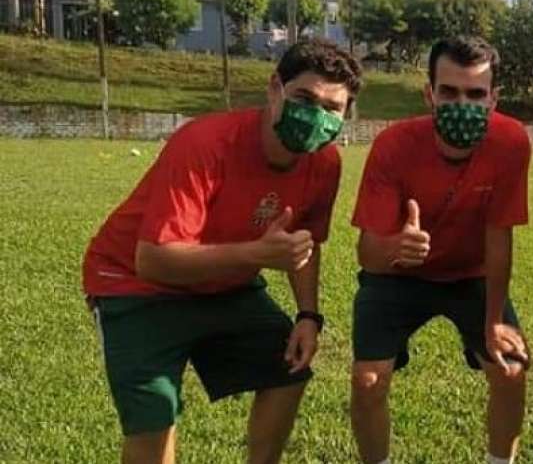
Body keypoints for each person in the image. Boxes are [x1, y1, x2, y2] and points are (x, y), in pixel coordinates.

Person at [82, 38, 358, 464]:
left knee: (289, 370)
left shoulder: (324, 163)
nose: (316, 115)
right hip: (133, 285)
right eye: (305, 97)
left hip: (224, 284)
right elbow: (153, 259)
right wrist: (257, 255)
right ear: (274, 89)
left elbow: (304, 239)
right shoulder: (205, 142)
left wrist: (308, 314)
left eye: (332, 108)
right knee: (155, 418)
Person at [349, 36, 531, 464]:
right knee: (367, 380)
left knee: (510, 370)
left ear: (493, 99)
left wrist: (493, 323)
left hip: (472, 275)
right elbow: (367, 253)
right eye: (449, 92)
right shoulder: (394, 145)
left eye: (475, 94)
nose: (461, 103)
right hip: (399, 275)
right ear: (429, 93)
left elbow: (500, 237)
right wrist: (399, 247)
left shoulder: (510, 141)